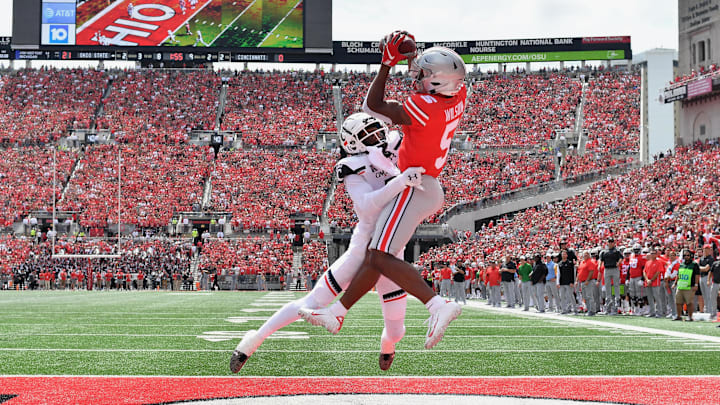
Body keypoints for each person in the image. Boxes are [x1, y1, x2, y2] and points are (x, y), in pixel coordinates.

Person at [299, 31, 467, 350]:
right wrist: (417, 64)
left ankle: (437, 305)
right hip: (425, 181)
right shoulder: (457, 96)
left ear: (437, 82)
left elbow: (372, 105)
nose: (416, 78)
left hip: (415, 183)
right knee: (377, 257)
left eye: (422, 75)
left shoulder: (423, 105)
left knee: (379, 256)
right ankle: (337, 313)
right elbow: (435, 85)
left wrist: (387, 64)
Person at [230, 113, 418, 373]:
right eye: (368, 134)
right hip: (363, 250)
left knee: (397, 330)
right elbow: (366, 205)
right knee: (311, 304)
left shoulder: (394, 151)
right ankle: (254, 339)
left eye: (378, 129)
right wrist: (400, 181)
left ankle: (387, 343)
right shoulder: (353, 164)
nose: (378, 136)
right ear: (353, 144)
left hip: (393, 252)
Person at [673, 249, 700, 321]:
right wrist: (675, 283)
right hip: (680, 286)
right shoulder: (681, 264)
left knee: (689, 302)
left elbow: (697, 275)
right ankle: (679, 316)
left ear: (691, 256)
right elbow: (678, 275)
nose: (686, 257)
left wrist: (696, 284)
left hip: (689, 287)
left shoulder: (694, 264)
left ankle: (690, 317)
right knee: (678, 302)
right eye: (684, 255)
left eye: (688, 255)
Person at [599, 237, 623, 314]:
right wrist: (599, 265)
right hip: (607, 268)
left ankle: (617, 299)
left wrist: (619, 263)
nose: (610, 243)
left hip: (615, 268)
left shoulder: (616, 250)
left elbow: (621, 258)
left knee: (616, 285)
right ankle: (608, 300)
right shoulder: (604, 251)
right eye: (609, 242)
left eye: (612, 242)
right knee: (607, 285)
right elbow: (601, 259)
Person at [577, 251, 598, 316]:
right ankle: (589, 309)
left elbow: (591, 271)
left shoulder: (590, 262)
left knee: (590, 296)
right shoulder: (582, 262)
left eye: (586, 254)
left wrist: (587, 280)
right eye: (584, 255)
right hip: (582, 281)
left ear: (589, 255)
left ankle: (592, 310)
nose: (585, 256)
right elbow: (579, 272)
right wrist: (577, 280)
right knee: (585, 297)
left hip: (588, 281)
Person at [557, 250, 576, 314]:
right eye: (562, 254)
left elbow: (572, 273)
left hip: (569, 283)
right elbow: (558, 274)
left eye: (565, 254)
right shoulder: (559, 264)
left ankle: (574, 309)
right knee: (562, 297)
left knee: (571, 296)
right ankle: (564, 310)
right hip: (562, 283)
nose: (563, 255)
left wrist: (572, 282)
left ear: (567, 255)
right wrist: (558, 282)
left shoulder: (570, 263)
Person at [699, 244, 715, 314]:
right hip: (701, 277)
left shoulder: (711, 259)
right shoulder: (701, 258)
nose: (706, 250)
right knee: (704, 295)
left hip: (707, 277)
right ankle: (706, 310)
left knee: (708, 295)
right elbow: (700, 268)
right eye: (705, 249)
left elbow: (706, 269)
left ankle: (710, 311)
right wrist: (702, 268)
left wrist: (700, 268)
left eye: (707, 249)